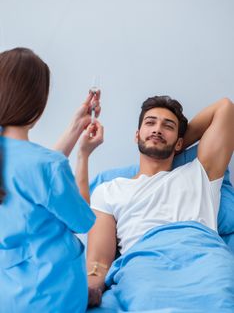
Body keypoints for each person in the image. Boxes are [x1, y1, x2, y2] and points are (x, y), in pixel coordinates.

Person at [86, 95, 234, 311]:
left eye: (168, 126)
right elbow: (98, 262)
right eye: (150, 123)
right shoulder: (109, 190)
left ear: (181, 142)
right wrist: (93, 286)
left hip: (204, 258)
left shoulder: (200, 173)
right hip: (145, 263)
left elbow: (225, 108)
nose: (157, 129)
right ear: (137, 135)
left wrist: (175, 145)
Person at [0, 47, 103, 313]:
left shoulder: (33, 163)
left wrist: (74, 128)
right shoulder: (47, 166)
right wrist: (83, 154)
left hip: (8, 295)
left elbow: (36, 178)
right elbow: (82, 222)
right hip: (49, 298)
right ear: (38, 106)